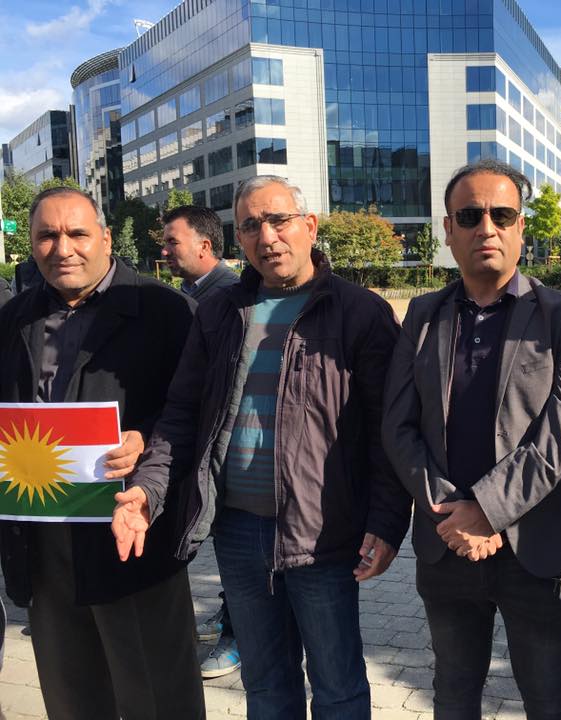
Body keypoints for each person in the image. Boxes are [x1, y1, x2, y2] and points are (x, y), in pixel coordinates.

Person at [111, 175, 411, 720]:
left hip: (323, 533)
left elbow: (386, 430)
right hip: (237, 532)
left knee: (338, 687)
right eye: (251, 225)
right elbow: (182, 414)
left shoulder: (359, 313)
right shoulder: (220, 313)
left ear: (309, 226)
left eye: (278, 220)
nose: (267, 236)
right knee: (267, 686)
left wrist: (387, 522)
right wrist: (148, 490)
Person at [382, 159, 561, 720]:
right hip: (446, 544)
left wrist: (487, 510)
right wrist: (451, 512)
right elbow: (398, 425)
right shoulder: (422, 315)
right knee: (453, 695)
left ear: (521, 227)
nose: (487, 228)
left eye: (502, 215)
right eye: (470, 216)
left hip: (534, 547)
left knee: (548, 699)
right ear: (447, 230)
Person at [0, 187, 204, 720]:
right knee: (71, 697)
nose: (62, 248)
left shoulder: (167, 311)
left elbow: (199, 413)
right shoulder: (12, 319)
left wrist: (146, 438)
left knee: (158, 697)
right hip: (41, 540)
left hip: (132, 536)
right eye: (47, 236)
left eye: (77, 233)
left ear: (106, 238)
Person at [160, 203, 242, 678]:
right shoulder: (192, 294)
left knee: (232, 540)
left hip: (224, 448)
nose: (164, 252)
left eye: (172, 242)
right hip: (191, 438)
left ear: (204, 245)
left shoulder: (228, 297)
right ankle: (232, 617)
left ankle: (238, 633)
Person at [161, 204, 240, 301]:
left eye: (173, 242)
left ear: (204, 247)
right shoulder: (188, 289)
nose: (164, 251)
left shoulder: (233, 297)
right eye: (165, 243)